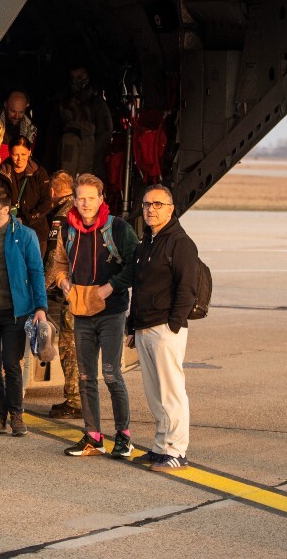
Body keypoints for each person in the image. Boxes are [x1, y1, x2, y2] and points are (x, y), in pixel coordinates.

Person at [48, 173, 138, 457]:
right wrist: (64, 283)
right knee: (86, 376)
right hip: (81, 311)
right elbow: (60, 263)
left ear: (101, 199)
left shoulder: (119, 229)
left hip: (111, 311)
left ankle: (123, 436)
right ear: (73, 200)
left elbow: (135, 267)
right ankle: (93, 436)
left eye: (90, 198)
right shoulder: (68, 229)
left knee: (111, 374)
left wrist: (110, 288)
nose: (85, 203)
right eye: (80, 198)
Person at [128, 184, 197, 472]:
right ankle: (160, 447)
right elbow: (140, 286)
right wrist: (132, 326)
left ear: (171, 209)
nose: (151, 209)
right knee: (154, 393)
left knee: (171, 392)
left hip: (165, 329)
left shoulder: (181, 243)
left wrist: (174, 325)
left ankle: (177, 451)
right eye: (146, 205)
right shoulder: (148, 241)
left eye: (157, 204)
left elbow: (188, 289)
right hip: (144, 327)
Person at [0, 186, 47, 437]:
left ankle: (17, 413)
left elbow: (37, 272)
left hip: (15, 311)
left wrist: (40, 307)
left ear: (6, 209)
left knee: (12, 364)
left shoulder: (25, 236)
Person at [43, 170, 81, 419]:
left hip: (70, 293)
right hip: (81, 291)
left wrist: (42, 287)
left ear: (53, 192)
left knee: (69, 347)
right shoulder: (76, 212)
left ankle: (75, 401)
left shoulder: (61, 217)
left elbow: (54, 258)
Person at [0, 136, 52, 259]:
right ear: (9, 153)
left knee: (34, 270)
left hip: (36, 229)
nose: (20, 159)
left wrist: (27, 219)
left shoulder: (39, 173)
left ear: (30, 152)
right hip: (8, 228)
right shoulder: (0, 173)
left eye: (23, 154)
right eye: (15, 154)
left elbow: (46, 202)